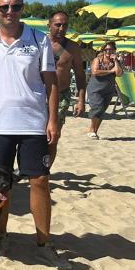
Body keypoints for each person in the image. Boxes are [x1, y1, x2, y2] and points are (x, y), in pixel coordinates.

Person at [0, 0, 68, 268]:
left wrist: (53, 119)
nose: (9, 12)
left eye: (15, 7)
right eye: (3, 7)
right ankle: (1, 235)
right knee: (1, 186)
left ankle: (44, 241)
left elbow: (51, 83)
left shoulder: (39, 40)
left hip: (32, 123)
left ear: (22, 8)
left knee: (39, 181)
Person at [47, 11, 86, 161]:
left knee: (53, 136)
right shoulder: (40, 44)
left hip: (61, 96)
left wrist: (81, 100)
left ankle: (45, 171)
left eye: (65, 25)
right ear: (49, 25)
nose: (61, 28)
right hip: (39, 95)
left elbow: (80, 74)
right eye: (57, 25)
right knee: (34, 136)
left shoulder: (73, 48)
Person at [86, 41, 123, 140]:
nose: (108, 51)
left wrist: (116, 61)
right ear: (103, 50)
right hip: (95, 89)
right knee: (97, 107)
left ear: (114, 50)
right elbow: (95, 71)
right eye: (106, 49)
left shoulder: (115, 62)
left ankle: (94, 131)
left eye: (111, 49)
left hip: (108, 89)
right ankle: (91, 130)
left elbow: (119, 73)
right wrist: (110, 71)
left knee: (102, 111)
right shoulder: (97, 59)